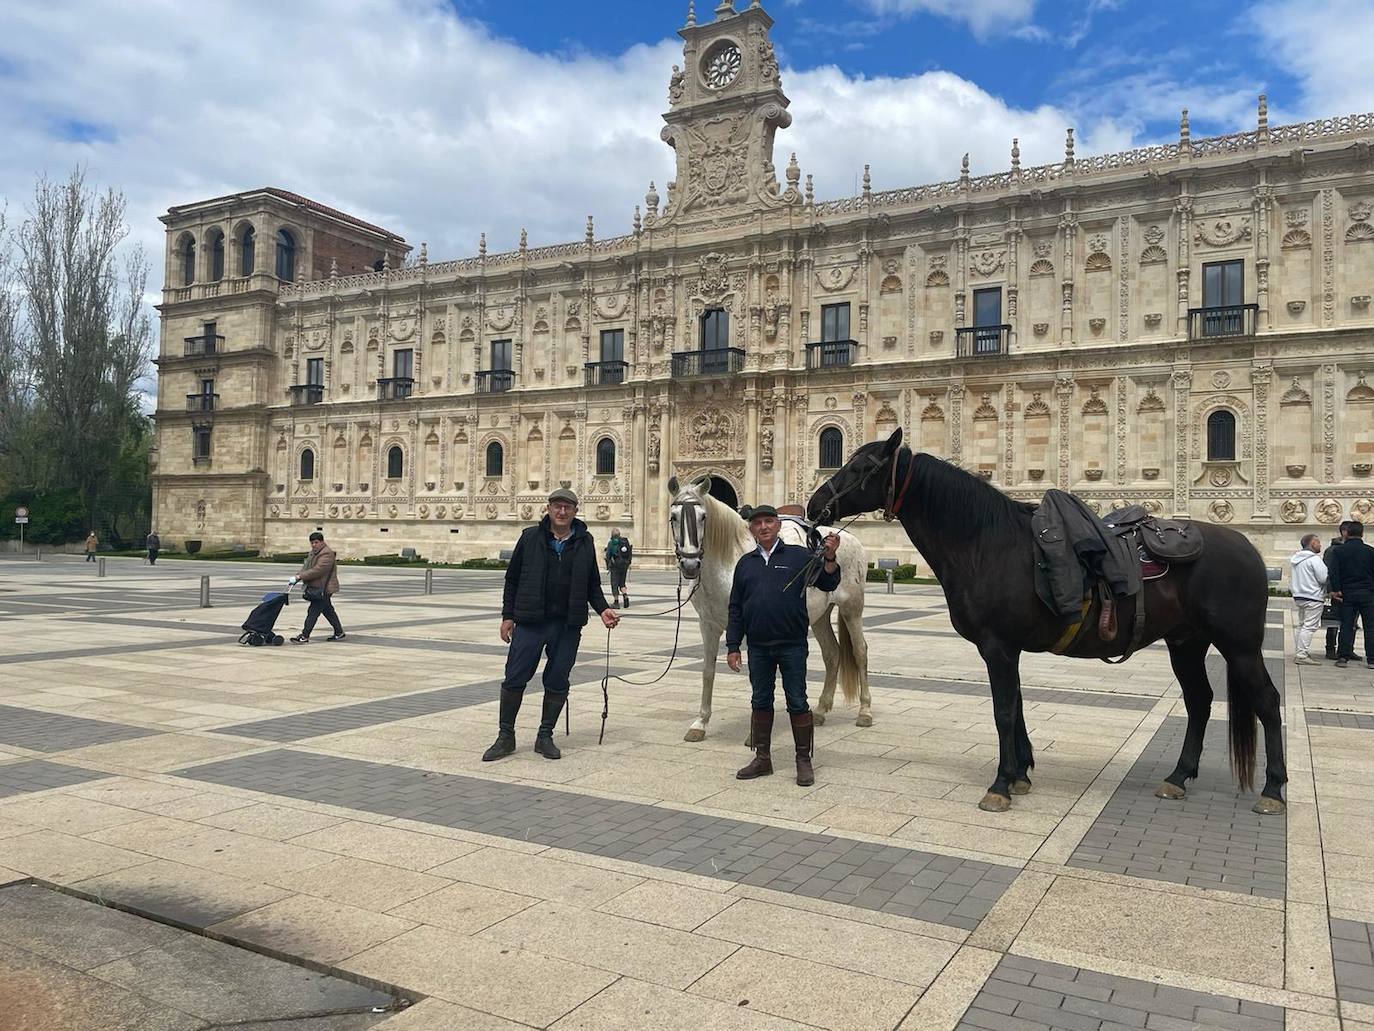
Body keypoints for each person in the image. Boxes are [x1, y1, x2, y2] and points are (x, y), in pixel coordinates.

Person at [483, 487, 620, 762]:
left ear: (575, 511)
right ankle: (505, 736)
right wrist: (507, 616)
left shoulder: (584, 541)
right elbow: (512, 579)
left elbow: (592, 583)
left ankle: (545, 735)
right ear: (548, 508)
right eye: (557, 506)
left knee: (558, 680)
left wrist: (604, 608)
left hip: (567, 625)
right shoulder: (530, 537)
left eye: (567, 507)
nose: (561, 511)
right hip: (531, 621)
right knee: (515, 678)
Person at [726, 504, 841, 787]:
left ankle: (803, 760)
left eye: (768, 521)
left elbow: (828, 582)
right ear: (751, 529)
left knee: (797, 701)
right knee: (760, 700)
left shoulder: (798, 556)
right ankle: (762, 758)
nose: (763, 527)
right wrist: (732, 646)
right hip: (759, 646)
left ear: (778, 525)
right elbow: (736, 607)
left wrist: (829, 557)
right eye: (757, 523)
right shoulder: (745, 563)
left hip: (792, 644)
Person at [1327, 519, 1374, 668]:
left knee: (1346, 625)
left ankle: (1343, 657)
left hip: (1346, 593)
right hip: (1368, 593)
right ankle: (1372, 659)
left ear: (1347, 533)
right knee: (1370, 627)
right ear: (1362, 533)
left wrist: (1335, 589)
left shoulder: (1338, 551)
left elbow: (1334, 572)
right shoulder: (1370, 551)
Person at [287, 532, 345, 643]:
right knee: (328, 610)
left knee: (313, 612)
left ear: (322, 542)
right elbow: (306, 567)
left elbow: (318, 570)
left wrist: (300, 576)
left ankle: (305, 635)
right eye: (312, 543)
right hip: (318, 587)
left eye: (316, 542)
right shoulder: (314, 553)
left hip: (324, 588)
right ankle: (339, 632)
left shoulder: (327, 554)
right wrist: (297, 576)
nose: (314, 545)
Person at [1289, 532, 1328, 665]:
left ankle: (1300, 651)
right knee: (1309, 627)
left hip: (1300, 595)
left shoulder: (1296, 559)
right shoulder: (1315, 560)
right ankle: (1301, 654)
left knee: (1302, 625)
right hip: (1313, 596)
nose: (1320, 544)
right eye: (1318, 542)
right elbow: (1323, 578)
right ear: (1312, 544)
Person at [1324, 523, 1354, 660]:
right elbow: (1329, 571)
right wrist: (1332, 590)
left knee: (1352, 622)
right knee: (1334, 621)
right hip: (1338, 591)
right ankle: (1330, 648)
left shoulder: (1352, 548)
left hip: (1352, 591)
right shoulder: (1333, 550)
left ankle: (1348, 649)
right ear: (1344, 532)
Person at [606, 528, 633, 609]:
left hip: (615, 566)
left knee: (614, 584)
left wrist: (608, 563)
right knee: (622, 583)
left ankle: (616, 602)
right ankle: (625, 596)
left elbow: (608, 555)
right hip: (624, 565)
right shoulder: (624, 542)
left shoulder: (611, 543)